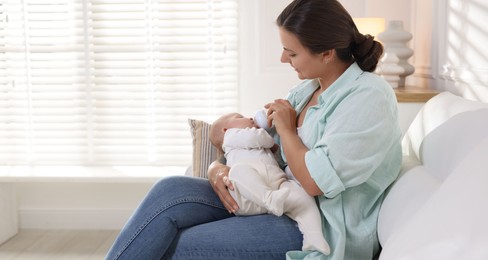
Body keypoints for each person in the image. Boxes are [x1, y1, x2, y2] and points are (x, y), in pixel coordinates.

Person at [105, 0, 402, 259]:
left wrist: (287, 130)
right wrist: (216, 168)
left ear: (326, 53)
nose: (283, 59)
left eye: (292, 53)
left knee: (179, 245)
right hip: (269, 196)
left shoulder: (368, 97)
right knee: (169, 188)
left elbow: (313, 184)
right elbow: (256, 146)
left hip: (316, 226)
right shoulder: (308, 90)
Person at [209, 112, 330, 255]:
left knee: (303, 197)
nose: (249, 118)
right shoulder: (231, 136)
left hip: (277, 189)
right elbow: (261, 139)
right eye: (240, 117)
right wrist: (268, 136)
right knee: (237, 172)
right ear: (225, 130)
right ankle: (269, 199)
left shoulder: (253, 139)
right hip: (248, 195)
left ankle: (314, 238)